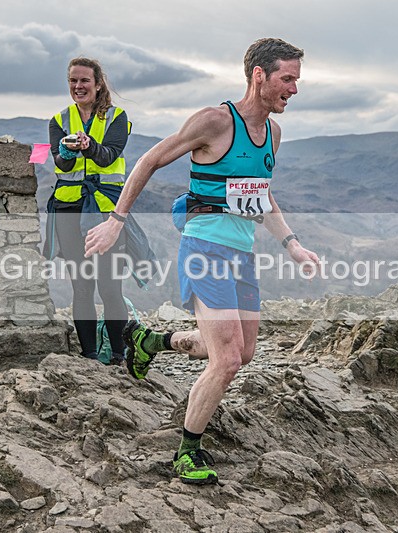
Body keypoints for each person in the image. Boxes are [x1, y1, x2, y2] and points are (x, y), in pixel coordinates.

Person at [84, 38, 320, 484]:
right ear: (259, 75)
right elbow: (150, 161)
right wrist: (117, 219)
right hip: (204, 249)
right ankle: (186, 452)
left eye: (296, 80)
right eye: (287, 79)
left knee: (242, 353)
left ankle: (150, 342)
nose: (294, 89)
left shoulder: (273, 133)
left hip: (241, 254)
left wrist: (292, 244)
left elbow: (261, 194)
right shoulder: (215, 121)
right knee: (227, 359)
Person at [43, 57, 132, 364]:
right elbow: (61, 164)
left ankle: (119, 356)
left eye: (84, 81)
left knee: (110, 286)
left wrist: (89, 146)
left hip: (106, 212)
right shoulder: (59, 120)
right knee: (82, 285)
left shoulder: (117, 117)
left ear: (97, 84)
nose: (78, 87)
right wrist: (67, 151)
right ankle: (90, 356)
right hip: (69, 210)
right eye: (72, 81)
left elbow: (109, 157)